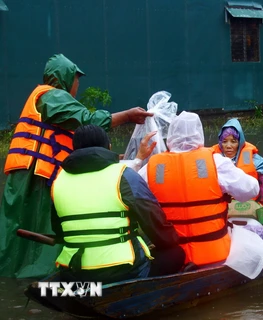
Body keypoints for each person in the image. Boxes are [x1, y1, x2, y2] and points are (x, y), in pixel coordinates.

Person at [0, 53, 153, 278]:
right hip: (36, 176)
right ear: (64, 77)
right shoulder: (52, 96)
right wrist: (128, 116)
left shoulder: (51, 100)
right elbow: (86, 120)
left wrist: (111, 157)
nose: (77, 84)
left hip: (34, 174)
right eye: (76, 78)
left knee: (23, 233)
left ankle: (21, 276)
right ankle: (36, 277)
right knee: (33, 229)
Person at [51, 125, 185, 283]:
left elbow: (58, 230)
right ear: (109, 147)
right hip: (123, 270)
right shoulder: (124, 175)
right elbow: (153, 221)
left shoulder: (58, 181)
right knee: (175, 253)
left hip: (74, 272)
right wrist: (170, 241)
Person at [146, 111, 260, 267]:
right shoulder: (216, 161)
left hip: (172, 258)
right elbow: (252, 190)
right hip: (214, 256)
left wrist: (138, 160)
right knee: (255, 227)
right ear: (199, 133)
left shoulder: (153, 166)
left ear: (171, 136)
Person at [211, 118, 263, 206]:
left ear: (240, 142)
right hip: (221, 205)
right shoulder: (213, 157)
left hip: (249, 205)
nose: (228, 146)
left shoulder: (253, 158)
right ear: (220, 143)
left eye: (233, 141)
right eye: (224, 142)